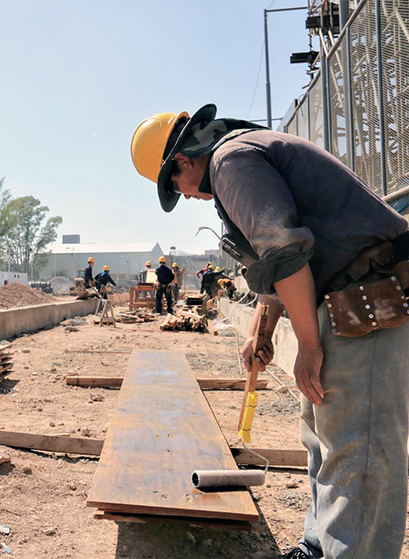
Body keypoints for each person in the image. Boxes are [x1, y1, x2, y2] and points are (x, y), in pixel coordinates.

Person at [131, 103, 409, 559]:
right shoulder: (238, 159)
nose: (185, 195)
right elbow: (272, 262)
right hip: (345, 299)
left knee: (359, 446)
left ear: (181, 161)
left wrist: (309, 347)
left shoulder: (232, 162)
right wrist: (262, 330)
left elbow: (285, 254)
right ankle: (318, 546)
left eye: (175, 186)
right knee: (322, 432)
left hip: (369, 295)